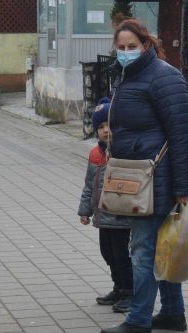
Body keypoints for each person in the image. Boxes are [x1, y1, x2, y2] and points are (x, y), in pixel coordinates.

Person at [98, 19, 188, 333]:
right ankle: (171, 312)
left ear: (146, 44)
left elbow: (182, 134)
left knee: (142, 250)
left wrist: (182, 188)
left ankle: (139, 320)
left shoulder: (164, 78)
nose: (125, 53)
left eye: (132, 47)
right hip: (136, 176)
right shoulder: (127, 76)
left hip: (157, 180)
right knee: (162, 248)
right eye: (121, 47)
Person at [79, 98, 134, 313]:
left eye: (109, 125)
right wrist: (85, 210)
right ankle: (118, 287)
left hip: (120, 215)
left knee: (121, 254)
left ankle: (129, 290)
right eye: (100, 127)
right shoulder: (95, 154)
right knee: (107, 253)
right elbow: (88, 186)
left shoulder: (123, 151)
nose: (105, 130)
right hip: (102, 215)